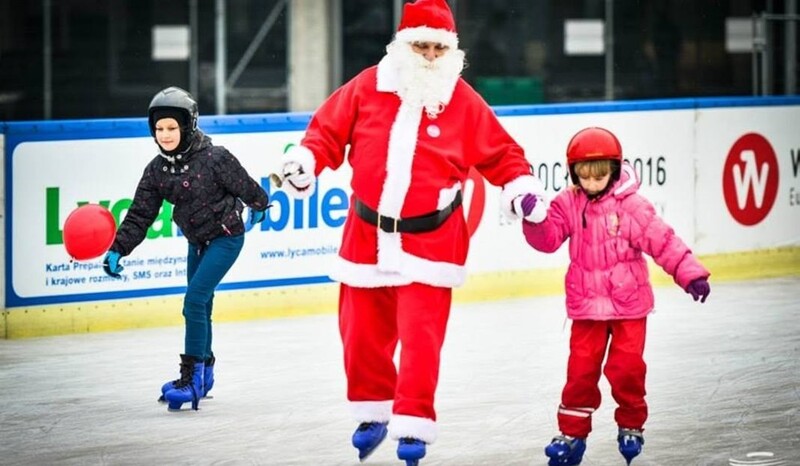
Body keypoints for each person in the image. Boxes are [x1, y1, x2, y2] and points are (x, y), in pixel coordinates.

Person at [275, 0, 547, 464]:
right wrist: (305, 164)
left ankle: (414, 421)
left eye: (437, 47)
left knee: (421, 341)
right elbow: (324, 133)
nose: (428, 55)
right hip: (365, 236)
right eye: (419, 45)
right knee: (360, 335)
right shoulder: (366, 87)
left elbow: (504, 156)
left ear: (451, 50)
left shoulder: (462, 101)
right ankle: (373, 410)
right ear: (402, 45)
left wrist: (521, 190)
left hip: (432, 242)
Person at [516, 127, 711, 466]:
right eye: (583, 176)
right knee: (579, 373)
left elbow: (662, 241)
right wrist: (534, 219)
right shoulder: (568, 203)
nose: (591, 183)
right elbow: (547, 240)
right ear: (573, 172)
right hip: (586, 308)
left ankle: (631, 423)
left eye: (600, 175)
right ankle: (572, 434)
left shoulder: (632, 206)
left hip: (628, 308)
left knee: (627, 370)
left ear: (615, 169)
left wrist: (690, 272)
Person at [102, 86, 270, 412]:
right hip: (197, 242)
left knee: (193, 300)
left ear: (188, 126)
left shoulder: (215, 158)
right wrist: (118, 248)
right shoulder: (157, 170)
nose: (164, 135)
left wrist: (259, 203)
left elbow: (245, 184)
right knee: (200, 305)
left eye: (171, 128)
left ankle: (191, 378)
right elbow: (140, 213)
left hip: (226, 237)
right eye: (159, 128)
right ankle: (204, 375)